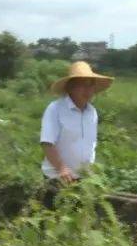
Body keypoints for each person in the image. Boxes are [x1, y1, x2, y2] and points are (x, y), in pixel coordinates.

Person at [39, 61, 114, 207]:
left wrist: (91, 171)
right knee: (54, 223)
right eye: (82, 84)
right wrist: (61, 168)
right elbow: (47, 143)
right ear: (71, 87)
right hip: (58, 178)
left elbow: (91, 144)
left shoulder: (92, 113)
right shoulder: (55, 109)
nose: (88, 90)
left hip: (83, 180)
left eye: (91, 85)